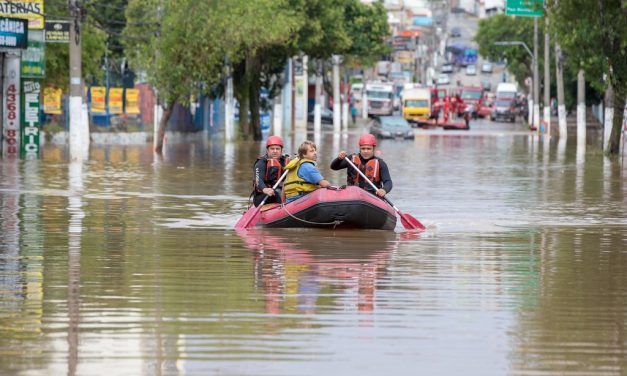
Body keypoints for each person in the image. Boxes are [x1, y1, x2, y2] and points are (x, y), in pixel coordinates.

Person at [330, 133, 392, 198]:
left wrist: (384, 190)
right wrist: (339, 159)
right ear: (360, 148)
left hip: (372, 196)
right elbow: (334, 167)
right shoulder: (351, 159)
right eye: (363, 148)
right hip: (352, 194)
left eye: (368, 149)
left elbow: (388, 182)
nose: (365, 151)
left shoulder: (380, 163)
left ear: (373, 149)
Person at [252, 135, 289, 207]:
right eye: (272, 149)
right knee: (277, 192)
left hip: (281, 192)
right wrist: (265, 189)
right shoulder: (261, 163)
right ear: (267, 150)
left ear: (281, 150)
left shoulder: (285, 161)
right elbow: (258, 180)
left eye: (277, 149)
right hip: (263, 196)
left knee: (281, 192)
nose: (275, 151)